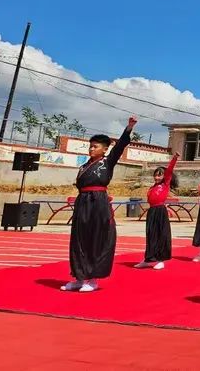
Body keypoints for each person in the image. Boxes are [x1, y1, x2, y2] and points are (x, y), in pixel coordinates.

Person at [62, 117, 137, 292]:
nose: (91, 149)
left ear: (104, 149)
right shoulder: (84, 166)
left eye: (95, 146)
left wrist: (129, 128)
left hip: (99, 202)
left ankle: (92, 279)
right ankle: (79, 277)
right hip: (83, 202)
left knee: (96, 238)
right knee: (79, 239)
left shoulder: (107, 162)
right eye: (90, 146)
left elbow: (120, 147)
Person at [135, 152, 179, 270]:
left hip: (160, 211)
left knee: (161, 235)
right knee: (151, 235)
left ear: (164, 177)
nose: (157, 177)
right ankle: (148, 258)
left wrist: (174, 159)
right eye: (155, 175)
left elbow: (169, 171)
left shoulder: (165, 184)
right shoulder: (152, 187)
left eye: (159, 175)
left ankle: (160, 259)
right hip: (152, 212)